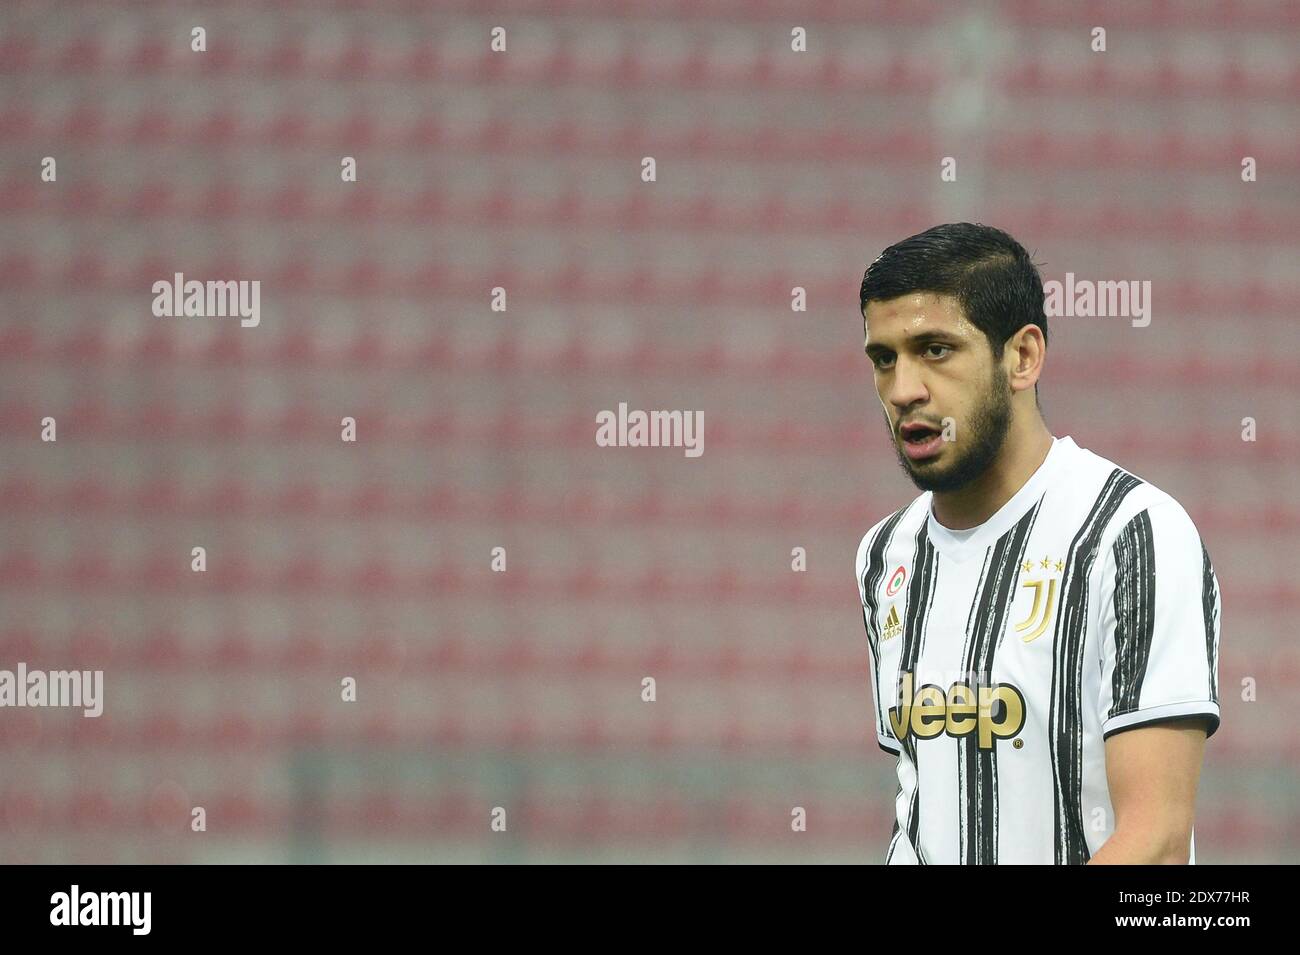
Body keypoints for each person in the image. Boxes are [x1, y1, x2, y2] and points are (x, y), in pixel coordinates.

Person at [855, 222, 1220, 864]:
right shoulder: (887, 555)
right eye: (884, 358)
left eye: (934, 349)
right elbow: (921, 813)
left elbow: (1156, 840)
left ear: (1022, 357)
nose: (903, 389)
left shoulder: (1131, 534)